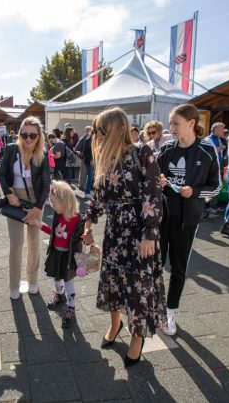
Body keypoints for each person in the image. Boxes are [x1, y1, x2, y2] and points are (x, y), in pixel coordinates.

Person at [82, 107, 166, 368]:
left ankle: (137, 338)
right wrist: (88, 222)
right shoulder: (105, 157)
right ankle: (115, 324)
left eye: (102, 130)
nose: (98, 135)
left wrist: (150, 234)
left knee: (138, 287)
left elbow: (154, 194)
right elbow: (98, 195)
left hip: (139, 232)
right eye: (96, 131)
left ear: (118, 129)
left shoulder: (142, 152)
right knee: (113, 281)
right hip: (115, 231)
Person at [158, 104, 220, 336]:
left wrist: (194, 192)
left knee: (178, 267)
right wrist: (158, 182)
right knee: (154, 264)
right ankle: (154, 305)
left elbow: (216, 187)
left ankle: (170, 311)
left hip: (187, 220)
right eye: (170, 123)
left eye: (176, 123)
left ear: (192, 123)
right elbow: (151, 180)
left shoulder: (207, 150)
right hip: (161, 216)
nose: (171, 128)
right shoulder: (166, 149)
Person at [0, 116, 51, 299]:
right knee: (16, 244)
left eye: (32, 135)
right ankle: (14, 285)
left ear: (39, 136)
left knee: (34, 242)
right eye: (24, 134)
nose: (28, 138)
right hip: (15, 201)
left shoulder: (43, 154)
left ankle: (32, 281)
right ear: (20, 134)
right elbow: (2, 174)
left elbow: (46, 184)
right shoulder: (11, 149)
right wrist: (9, 194)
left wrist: (37, 208)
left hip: (36, 201)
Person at [29, 180, 84, 328]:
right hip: (56, 253)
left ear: (65, 201)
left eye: (54, 203)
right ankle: (59, 296)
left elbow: (82, 238)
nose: (52, 206)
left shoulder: (77, 219)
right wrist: (38, 224)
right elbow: (53, 232)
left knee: (68, 282)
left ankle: (71, 307)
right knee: (56, 277)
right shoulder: (57, 215)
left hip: (69, 257)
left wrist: (87, 238)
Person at [74, 126, 91, 190]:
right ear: (87, 130)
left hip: (87, 158)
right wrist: (81, 153)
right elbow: (76, 148)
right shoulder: (83, 138)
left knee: (85, 172)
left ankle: (82, 185)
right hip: (84, 158)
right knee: (83, 172)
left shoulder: (87, 138)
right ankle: (81, 185)